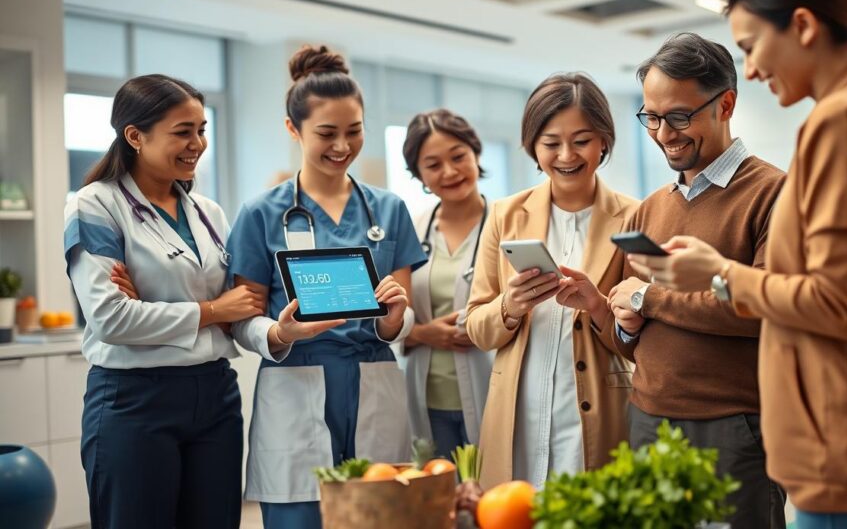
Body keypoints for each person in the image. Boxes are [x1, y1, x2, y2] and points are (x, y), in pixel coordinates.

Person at [627, 0, 847, 528]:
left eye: (752, 47)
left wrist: (719, 274)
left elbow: (837, 303)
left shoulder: (844, 122)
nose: (750, 69)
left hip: (845, 437)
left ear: (802, 26)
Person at [67, 74, 335, 529]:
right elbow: (112, 319)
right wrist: (212, 312)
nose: (197, 144)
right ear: (135, 136)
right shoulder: (96, 206)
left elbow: (241, 309)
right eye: (182, 131)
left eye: (202, 129)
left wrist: (276, 332)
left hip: (214, 397)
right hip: (134, 401)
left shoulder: (208, 213)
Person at [573, 33, 786, 529]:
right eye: (651, 116)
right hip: (647, 418)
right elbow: (636, 341)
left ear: (726, 103)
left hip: (736, 426)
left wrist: (650, 297)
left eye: (679, 116)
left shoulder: (774, 194)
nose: (663, 132)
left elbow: (764, 310)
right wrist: (616, 316)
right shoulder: (648, 210)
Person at [226, 45, 426, 528]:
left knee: (381, 517)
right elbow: (240, 320)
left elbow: (401, 316)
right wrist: (280, 333)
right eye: (326, 133)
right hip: (294, 384)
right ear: (292, 129)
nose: (342, 145)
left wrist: (396, 317)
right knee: (298, 517)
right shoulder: (261, 213)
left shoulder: (389, 209)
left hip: (373, 379)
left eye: (354, 131)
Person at [465, 73, 638, 489]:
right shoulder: (505, 215)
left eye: (581, 140)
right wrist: (510, 306)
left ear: (603, 141)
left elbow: (641, 340)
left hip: (597, 411)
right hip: (519, 410)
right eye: (550, 142)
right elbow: (476, 327)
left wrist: (598, 306)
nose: (566, 155)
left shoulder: (634, 216)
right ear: (532, 147)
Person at [392, 108, 494, 460]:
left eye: (458, 157)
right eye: (433, 164)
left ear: (476, 154)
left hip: (492, 387)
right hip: (429, 396)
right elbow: (388, 313)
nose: (449, 172)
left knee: (496, 504)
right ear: (418, 174)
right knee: (439, 504)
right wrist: (423, 333)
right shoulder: (411, 228)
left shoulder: (508, 224)